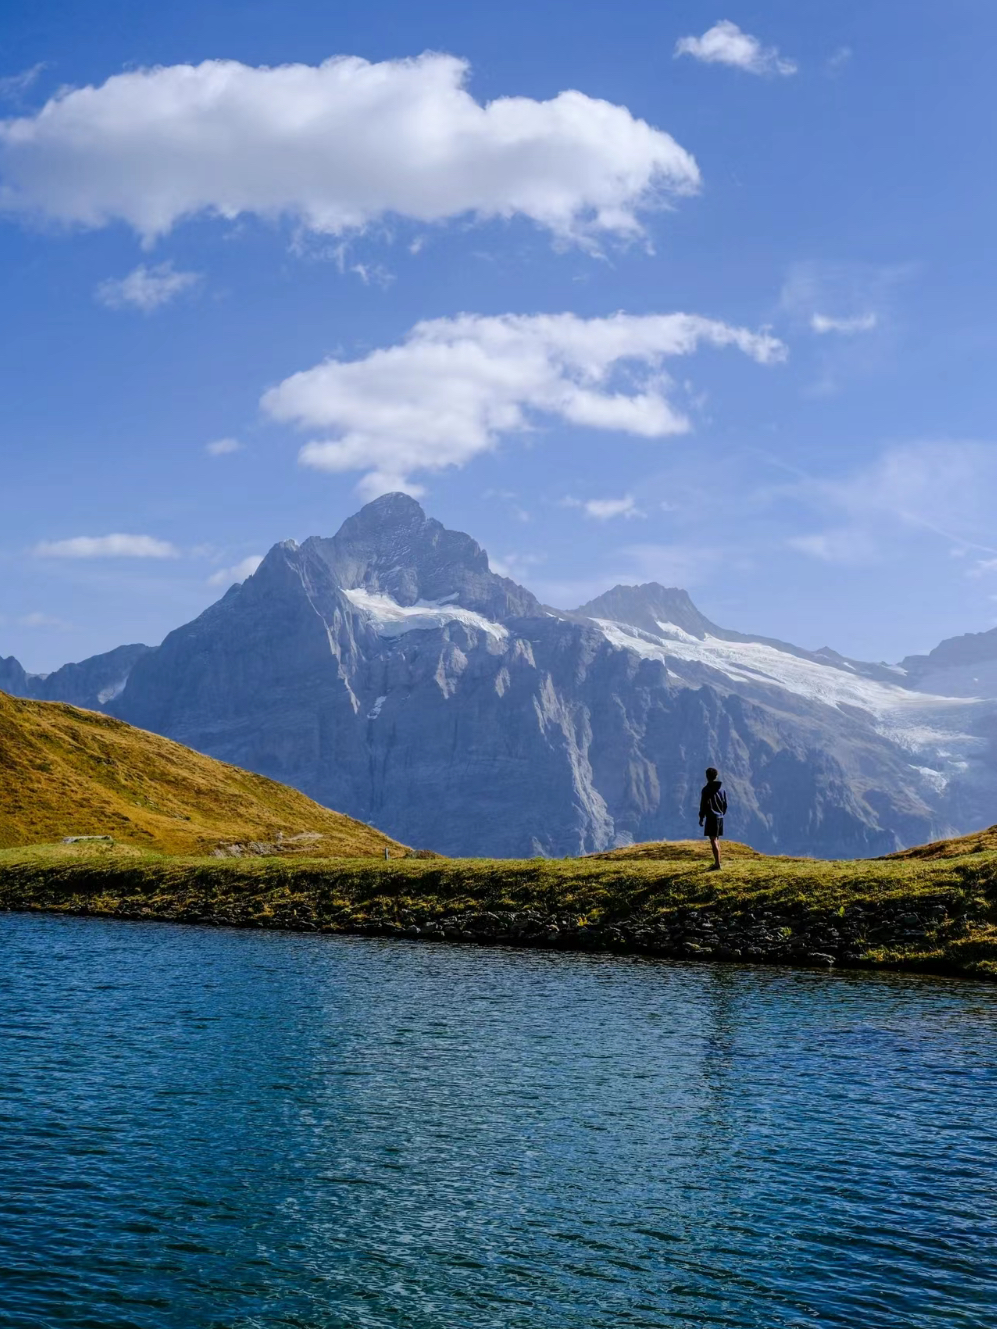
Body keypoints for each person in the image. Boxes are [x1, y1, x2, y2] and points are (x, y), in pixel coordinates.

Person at [698, 767, 727, 870]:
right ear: (716, 776)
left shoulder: (706, 790)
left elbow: (703, 805)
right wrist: (722, 814)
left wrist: (701, 817)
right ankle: (717, 862)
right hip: (720, 817)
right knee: (717, 839)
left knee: (713, 840)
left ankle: (717, 864)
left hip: (711, 817)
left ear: (707, 777)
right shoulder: (722, 790)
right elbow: (724, 804)